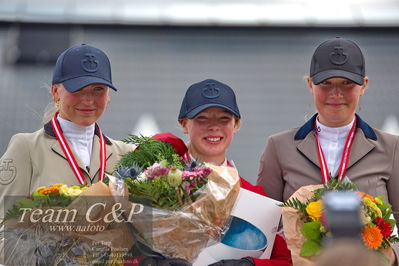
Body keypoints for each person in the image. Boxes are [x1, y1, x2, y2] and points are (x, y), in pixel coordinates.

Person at [256, 37, 398, 263]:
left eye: (347, 84)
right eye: (326, 84)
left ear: (365, 85)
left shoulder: (392, 147)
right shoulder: (279, 146)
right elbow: (263, 227)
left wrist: (389, 257)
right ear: (310, 84)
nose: (336, 93)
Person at [0, 44, 132, 218]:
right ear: (55, 92)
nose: (88, 100)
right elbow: (5, 227)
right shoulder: (26, 148)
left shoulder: (126, 153)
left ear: (108, 96)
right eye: (77, 89)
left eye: (98, 89)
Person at [177, 79, 292, 266]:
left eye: (224, 119)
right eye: (202, 118)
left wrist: (252, 264)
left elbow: (286, 261)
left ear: (236, 124)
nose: (214, 127)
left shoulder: (255, 197)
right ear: (184, 124)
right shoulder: (155, 181)